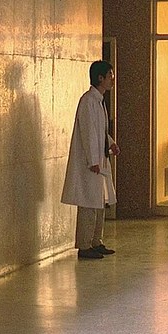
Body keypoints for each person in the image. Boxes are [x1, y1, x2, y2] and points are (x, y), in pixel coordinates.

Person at [61, 60, 120, 259]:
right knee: (88, 202)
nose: (112, 79)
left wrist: (110, 143)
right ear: (100, 78)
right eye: (110, 76)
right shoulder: (88, 101)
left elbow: (100, 131)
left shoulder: (98, 101)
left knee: (99, 201)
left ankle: (96, 240)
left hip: (98, 159)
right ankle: (84, 245)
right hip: (91, 163)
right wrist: (93, 160)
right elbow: (87, 132)